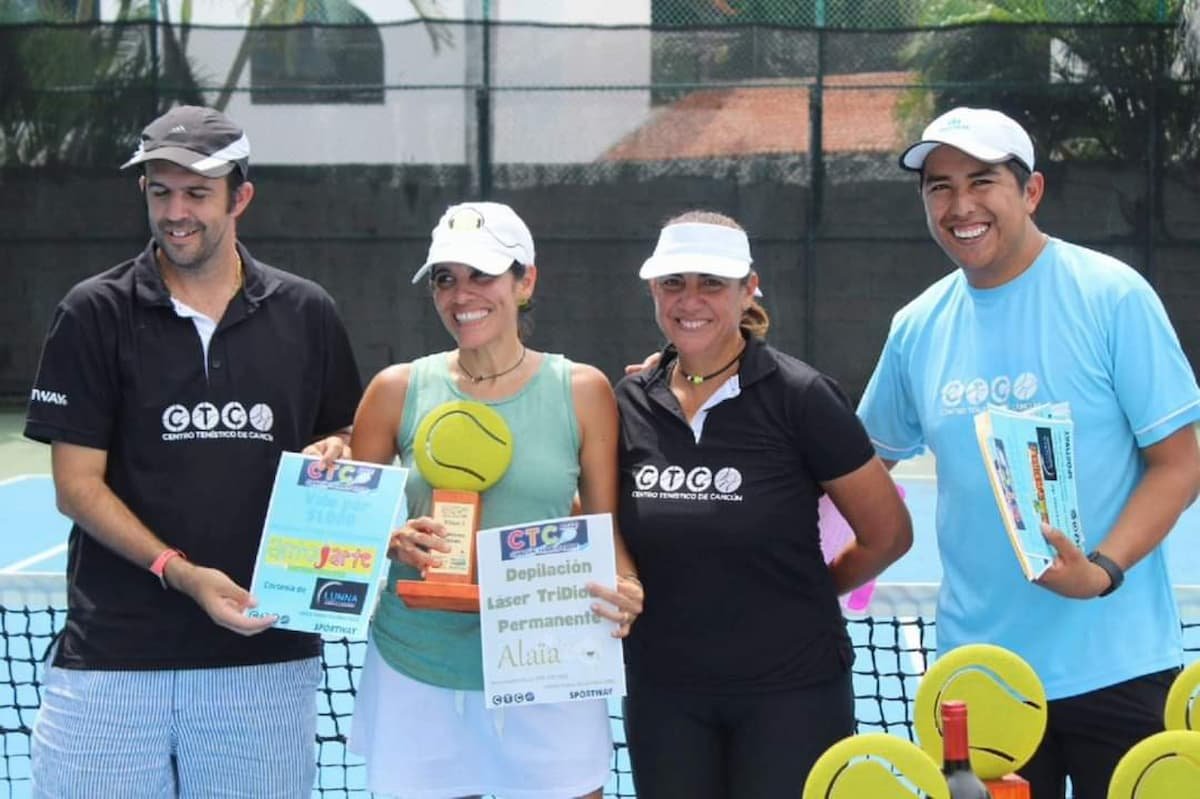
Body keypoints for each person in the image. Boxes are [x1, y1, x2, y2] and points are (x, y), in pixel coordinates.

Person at [858, 106, 1200, 798]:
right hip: (980, 682)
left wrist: (1101, 569)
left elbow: (1180, 461)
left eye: (981, 181)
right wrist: (703, 374)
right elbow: (858, 470)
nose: (960, 206)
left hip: (1121, 668)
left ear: (1031, 191)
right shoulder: (916, 327)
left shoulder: (1113, 297)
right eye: (939, 187)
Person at [23, 105, 363, 798]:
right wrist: (181, 572)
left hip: (265, 662)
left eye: (197, 193)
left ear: (241, 197)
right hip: (114, 663)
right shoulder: (92, 313)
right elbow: (76, 485)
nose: (176, 212)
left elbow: (348, 441)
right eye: (160, 191)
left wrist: (339, 453)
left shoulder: (308, 313)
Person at [347, 201, 644, 799]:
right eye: (445, 278)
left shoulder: (582, 391)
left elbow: (603, 529)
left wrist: (628, 586)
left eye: (482, 275)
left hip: (551, 664)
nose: (462, 295)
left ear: (525, 280)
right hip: (417, 665)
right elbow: (344, 529)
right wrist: (387, 537)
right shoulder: (394, 390)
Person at [615, 211, 913, 799]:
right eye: (673, 283)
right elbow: (593, 513)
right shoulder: (627, 400)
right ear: (653, 290)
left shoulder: (802, 397)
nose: (690, 300)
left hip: (791, 694)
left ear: (749, 288)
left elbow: (889, 533)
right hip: (664, 696)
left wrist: (808, 590)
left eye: (712, 284)